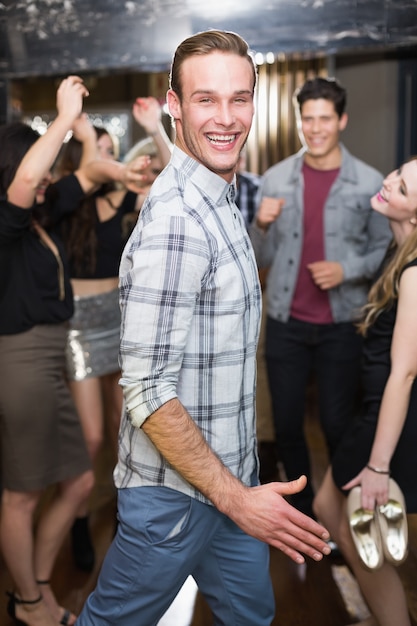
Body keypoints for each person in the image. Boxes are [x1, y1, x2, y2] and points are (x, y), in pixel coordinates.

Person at [76, 29, 331, 626]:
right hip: (175, 501)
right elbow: (145, 388)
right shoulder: (176, 224)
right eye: (205, 100)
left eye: (239, 98)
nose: (226, 117)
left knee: (251, 618)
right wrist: (237, 497)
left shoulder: (221, 195)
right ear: (173, 106)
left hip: (232, 480)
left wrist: (243, 489)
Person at [0, 77, 150, 626]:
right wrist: (62, 120)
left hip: (48, 359)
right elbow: (28, 180)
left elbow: (87, 174)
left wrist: (119, 165)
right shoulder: (8, 220)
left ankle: (33, 585)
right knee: (20, 495)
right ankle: (29, 601)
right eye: (34, 173)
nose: (45, 183)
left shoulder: (42, 213)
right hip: (19, 360)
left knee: (80, 480)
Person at [249, 76, 392, 518]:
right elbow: (255, 255)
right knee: (288, 424)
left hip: (340, 325)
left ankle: (342, 508)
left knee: (335, 424)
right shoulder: (275, 178)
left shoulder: (369, 182)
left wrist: (345, 270)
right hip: (285, 321)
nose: (314, 128)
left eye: (324, 119)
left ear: (341, 120)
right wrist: (261, 224)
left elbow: (385, 251)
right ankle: (307, 513)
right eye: (306, 119)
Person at [56, 105, 166, 573]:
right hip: (79, 325)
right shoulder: (64, 201)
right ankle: (78, 518)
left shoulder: (126, 198)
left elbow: (171, 179)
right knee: (94, 435)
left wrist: (155, 129)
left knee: (130, 421)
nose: (106, 157)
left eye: (109, 150)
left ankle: (129, 515)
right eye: (95, 150)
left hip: (121, 319)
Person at [313, 158, 417, 626]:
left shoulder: (414, 271)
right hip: (370, 411)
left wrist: (378, 465)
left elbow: (405, 373)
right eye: (396, 174)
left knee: (361, 540)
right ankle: (380, 611)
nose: (388, 183)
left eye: (402, 187)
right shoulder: (395, 254)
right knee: (326, 507)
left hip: (386, 420)